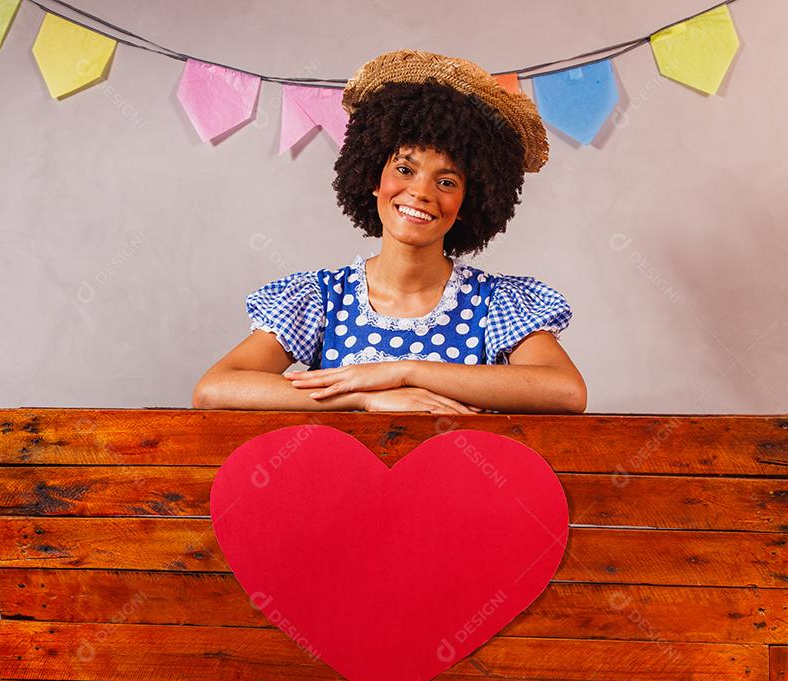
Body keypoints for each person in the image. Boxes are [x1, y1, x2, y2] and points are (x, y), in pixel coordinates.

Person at [193, 49, 587, 414]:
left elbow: (565, 392)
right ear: (373, 178)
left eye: (447, 182)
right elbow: (215, 389)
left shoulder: (497, 303)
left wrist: (404, 371)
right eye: (404, 169)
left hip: (457, 489)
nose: (420, 192)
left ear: (469, 203)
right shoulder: (321, 299)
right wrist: (364, 397)